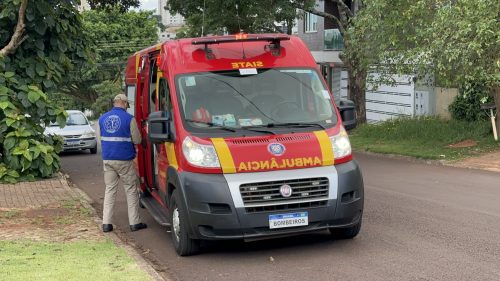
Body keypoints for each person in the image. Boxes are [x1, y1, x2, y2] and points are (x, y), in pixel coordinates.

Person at [98, 94, 147, 233]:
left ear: (114, 103)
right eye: (127, 105)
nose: (127, 107)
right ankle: (134, 223)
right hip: (124, 160)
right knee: (131, 190)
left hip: (108, 160)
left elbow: (100, 139)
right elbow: (137, 140)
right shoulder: (129, 119)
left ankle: (106, 224)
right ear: (124, 103)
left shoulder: (102, 119)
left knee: (110, 190)